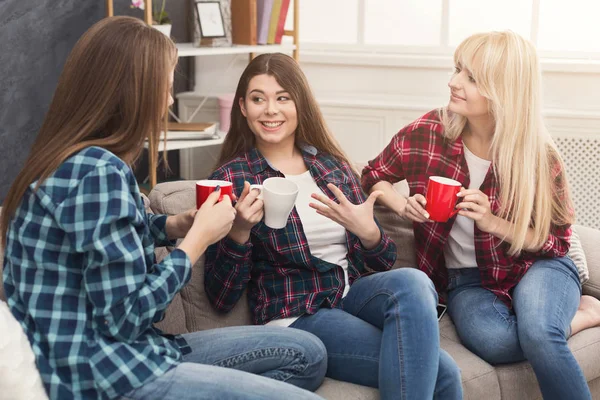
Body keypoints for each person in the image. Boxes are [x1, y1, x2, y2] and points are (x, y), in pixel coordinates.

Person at [0, 17, 327, 400]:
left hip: (135, 354)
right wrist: (198, 240)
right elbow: (126, 318)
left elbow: (102, 240)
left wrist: (172, 225)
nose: (170, 101)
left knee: (307, 353)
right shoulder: (98, 174)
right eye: (166, 88)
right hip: (107, 376)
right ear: (131, 93)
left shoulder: (76, 162)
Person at [204, 53, 463, 400]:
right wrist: (238, 233)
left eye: (282, 98)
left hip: (349, 295)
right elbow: (221, 296)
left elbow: (380, 262)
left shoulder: (331, 167)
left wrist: (368, 233)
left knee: (413, 281)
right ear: (242, 107)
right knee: (443, 374)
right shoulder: (231, 179)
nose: (270, 110)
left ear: (300, 104)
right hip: (297, 312)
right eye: (258, 99)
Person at [361, 31, 600, 400]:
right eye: (458, 70)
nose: (453, 82)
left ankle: (569, 316)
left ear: (502, 89)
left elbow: (555, 241)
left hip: (537, 265)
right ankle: (579, 316)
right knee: (499, 343)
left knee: (540, 334)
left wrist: (492, 222)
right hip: (467, 280)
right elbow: (372, 177)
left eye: (470, 78)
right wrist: (400, 204)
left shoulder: (537, 155)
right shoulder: (429, 132)